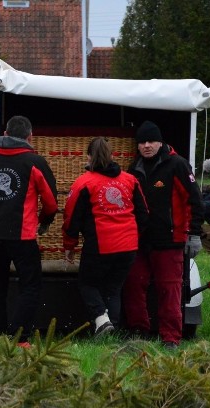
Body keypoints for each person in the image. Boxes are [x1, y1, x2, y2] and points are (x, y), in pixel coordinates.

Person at [0, 115, 58, 344]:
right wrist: (44, 220)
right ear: (30, 137)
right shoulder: (35, 162)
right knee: (31, 287)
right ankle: (20, 338)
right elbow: (51, 203)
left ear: (5, 135)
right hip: (23, 237)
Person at [123, 121, 204, 349]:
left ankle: (170, 337)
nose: (147, 145)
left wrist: (194, 234)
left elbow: (195, 200)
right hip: (139, 240)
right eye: (142, 142)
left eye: (151, 141)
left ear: (160, 142)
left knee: (169, 289)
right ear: (137, 146)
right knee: (134, 285)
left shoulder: (177, 165)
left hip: (170, 241)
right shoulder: (133, 168)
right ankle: (139, 332)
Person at [62, 137, 148, 336]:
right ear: (112, 155)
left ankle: (101, 319)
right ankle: (111, 330)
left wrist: (69, 245)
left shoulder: (84, 183)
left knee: (87, 284)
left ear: (89, 157)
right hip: (128, 247)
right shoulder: (130, 180)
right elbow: (144, 215)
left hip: (100, 246)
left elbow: (71, 219)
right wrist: (133, 236)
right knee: (113, 289)